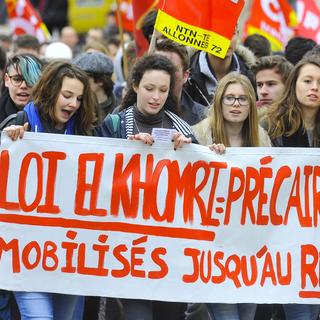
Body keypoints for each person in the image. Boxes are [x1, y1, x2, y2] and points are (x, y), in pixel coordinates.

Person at [96, 53, 196, 320]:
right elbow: (97, 177)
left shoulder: (183, 129)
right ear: (136, 86)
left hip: (171, 251)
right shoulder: (115, 125)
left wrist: (193, 151)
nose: (156, 97)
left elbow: (199, 184)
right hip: (130, 247)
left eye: (163, 90)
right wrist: (128, 151)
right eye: (150, 88)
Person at [3, 60, 98, 320]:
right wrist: (5, 142)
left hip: (69, 257)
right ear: (50, 91)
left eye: (79, 98)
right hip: (26, 256)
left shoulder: (87, 133)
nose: (73, 104)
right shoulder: (18, 122)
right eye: (67, 96)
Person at [188, 72, 271, 320]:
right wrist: (205, 155)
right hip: (213, 246)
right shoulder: (199, 135)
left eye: (243, 99)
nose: (236, 105)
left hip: (249, 249)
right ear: (219, 102)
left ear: (251, 105)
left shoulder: (261, 138)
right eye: (230, 98)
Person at [262, 54, 320, 320]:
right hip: (283, 240)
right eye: (308, 80)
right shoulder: (270, 126)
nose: (314, 88)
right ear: (294, 84)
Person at [185, 26, 256, 106]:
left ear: (238, 34)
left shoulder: (251, 75)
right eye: (219, 33)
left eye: (232, 33)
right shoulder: (185, 74)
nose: (226, 40)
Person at [155, 39, 207, 125]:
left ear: (185, 76)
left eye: (171, 69)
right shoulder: (130, 115)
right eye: (158, 67)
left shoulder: (203, 117)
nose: (163, 74)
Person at [0, 54, 43, 127]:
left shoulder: (51, 116)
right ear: (6, 80)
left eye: (30, 80)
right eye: (17, 79)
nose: (23, 86)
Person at [74, 51, 116, 120]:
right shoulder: (75, 108)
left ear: (100, 80)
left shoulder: (121, 112)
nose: (76, 81)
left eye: (82, 77)